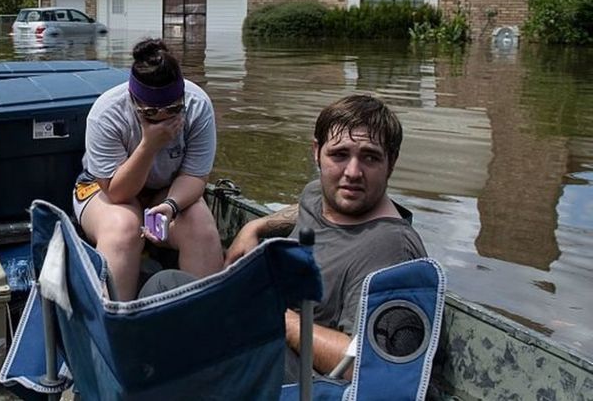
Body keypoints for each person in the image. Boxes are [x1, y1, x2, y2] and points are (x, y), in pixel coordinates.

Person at [223, 94, 427, 379]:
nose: (352, 173)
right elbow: (310, 209)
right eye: (339, 155)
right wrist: (255, 227)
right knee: (166, 283)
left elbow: (365, 366)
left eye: (370, 157)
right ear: (317, 152)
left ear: (391, 163)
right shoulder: (321, 192)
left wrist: (276, 313)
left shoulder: (391, 249)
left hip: (309, 380)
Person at [72, 38, 224, 301]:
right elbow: (117, 193)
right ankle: (116, 325)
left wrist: (170, 206)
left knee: (200, 225)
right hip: (103, 189)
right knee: (123, 227)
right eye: (152, 112)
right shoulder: (107, 113)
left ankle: (206, 320)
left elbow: (195, 176)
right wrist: (148, 145)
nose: (164, 119)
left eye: (174, 110)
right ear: (135, 102)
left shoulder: (198, 106)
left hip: (167, 188)